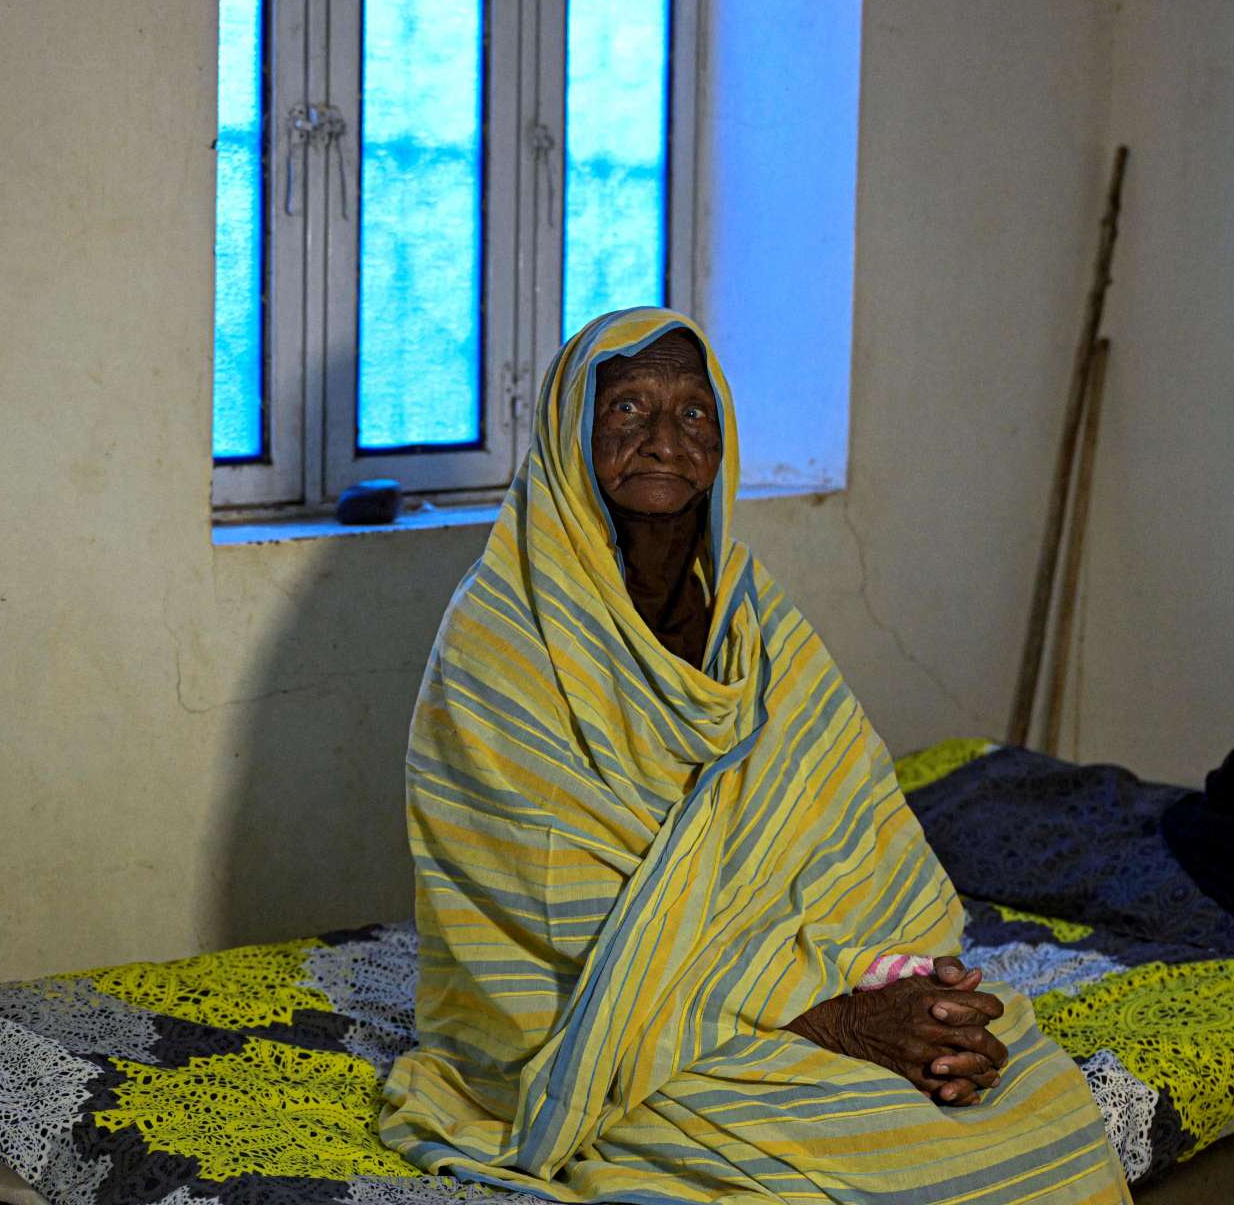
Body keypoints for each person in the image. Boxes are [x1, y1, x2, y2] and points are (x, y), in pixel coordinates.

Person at [380, 309, 1129, 1204]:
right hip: (596, 1017)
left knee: (1039, 1101)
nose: (664, 440)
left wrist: (911, 991)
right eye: (627, 409)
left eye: (693, 414)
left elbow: (853, 830)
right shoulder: (502, 638)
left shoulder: (751, 618)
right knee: (885, 1148)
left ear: (722, 442)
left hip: (757, 990)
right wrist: (836, 1020)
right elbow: (555, 910)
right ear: (569, 430)